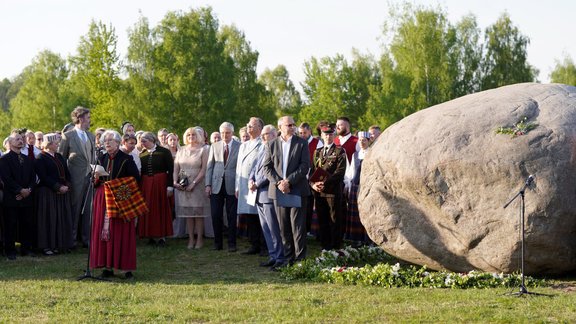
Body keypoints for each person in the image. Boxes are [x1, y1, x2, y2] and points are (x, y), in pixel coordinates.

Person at [90, 130, 141, 279]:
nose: (107, 143)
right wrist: (96, 177)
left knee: (120, 233)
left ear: (118, 143)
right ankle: (107, 266)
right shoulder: (101, 157)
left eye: (110, 140)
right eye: (105, 140)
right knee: (103, 232)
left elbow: (135, 180)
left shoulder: (127, 159)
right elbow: (94, 182)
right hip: (102, 199)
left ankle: (125, 268)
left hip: (120, 199)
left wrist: (116, 186)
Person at [263, 116, 311, 268]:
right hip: (279, 191)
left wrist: (288, 181)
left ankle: (300, 261)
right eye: (288, 125)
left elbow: (305, 166)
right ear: (280, 127)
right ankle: (287, 260)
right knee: (283, 228)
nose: (292, 127)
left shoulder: (301, 143)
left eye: (293, 125)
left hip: (296, 189)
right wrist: (279, 183)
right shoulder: (271, 144)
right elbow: (266, 167)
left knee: (298, 227)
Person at [58, 106, 96, 248]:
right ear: (80, 118)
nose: (89, 120)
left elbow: (92, 157)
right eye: (88, 118)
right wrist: (65, 180)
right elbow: (61, 159)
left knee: (88, 209)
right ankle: (71, 239)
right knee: (74, 209)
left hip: (90, 177)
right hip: (74, 179)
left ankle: (86, 239)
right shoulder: (68, 136)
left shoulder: (91, 136)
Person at [249, 124, 284, 268]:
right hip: (258, 194)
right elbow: (254, 167)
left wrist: (257, 183)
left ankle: (279, 256)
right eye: (262, 134)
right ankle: (272, 254)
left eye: (266, 134)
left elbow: (270, 172)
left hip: (267, 193)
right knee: (265, 228)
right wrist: (251, 179)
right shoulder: (263, 148)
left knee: (273, 227)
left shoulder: (277, 149)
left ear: (274, 134)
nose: (263, 136)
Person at [34, 133, 73, 255]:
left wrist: (67, 185)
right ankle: (47, 246)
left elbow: (66, 172)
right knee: (49, 219)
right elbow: (43, 177)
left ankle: (58, 244)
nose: (58, 145)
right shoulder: (40, 158)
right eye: (56, 143)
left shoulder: (59, 156)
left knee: (60, 218)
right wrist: (57, 187)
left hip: (61, 193)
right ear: (49, 144)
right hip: (47, 193)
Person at [0, 130, 36, 260]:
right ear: (9, 143)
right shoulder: (4, 159)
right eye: (17, 139)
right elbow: (6, 178)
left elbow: (33, 177)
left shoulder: (27, 159)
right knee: (10, 224)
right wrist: (19, 190)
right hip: (12, 197)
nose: (21, 141)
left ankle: (26, 249)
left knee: (26, 224)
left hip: (26, 197)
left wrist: (28, 190)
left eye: (21, 139)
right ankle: (10, 250)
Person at [310, 125, 347, 250]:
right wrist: (313, 185)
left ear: (334, 135)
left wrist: (324, 183)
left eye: (331, 134)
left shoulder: (340, 151)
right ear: (321, 135)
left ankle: (335, 246)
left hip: (332, 192)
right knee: (322, 219)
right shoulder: (317, 152)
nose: (328, 136)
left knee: (334, 220)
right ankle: (325, 246)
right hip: (319, 192)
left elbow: (340, 172)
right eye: (325, 134)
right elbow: (312, 171)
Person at [205, 122, 239, 252]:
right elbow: (210, 166)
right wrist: (208, 185)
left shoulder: (239, 146)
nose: (225, 135)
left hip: (232, 185)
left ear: (232, 133)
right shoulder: (214, 146)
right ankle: (217, 243)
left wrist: (238, 186)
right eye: (223, 133)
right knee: (215, 214)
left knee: (232, 216)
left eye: (228, 132)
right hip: (216, 185)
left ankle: (232, 243)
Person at [174, 127, 210, 249]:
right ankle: (190, 239)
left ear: (198, 136)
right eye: (188, 135)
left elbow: (204, 169)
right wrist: (175, 181)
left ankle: (199, 239)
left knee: (198, 213)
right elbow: (176, 168)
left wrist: (194, 183)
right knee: (188, 213)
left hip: (198, 184)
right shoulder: (181, 150)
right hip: (183, 184)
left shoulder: (203, 150)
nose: (191, 137)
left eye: (193, 135)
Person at [139, 131, 174, 245]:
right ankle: (150, 235)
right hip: (146, 184)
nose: (142, 143)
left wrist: (170, 186)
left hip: (160, 182)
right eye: (141, 141)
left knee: (160, 208)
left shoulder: (164, 152)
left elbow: (171, 170)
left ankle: (161, 236)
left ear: (152, 140)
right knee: (148, 209)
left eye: (145, 141)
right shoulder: (142, 154)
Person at [236, 117, 265, 255]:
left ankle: (263, 245)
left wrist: (256, 181)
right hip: (244, 185)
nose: (249, 128)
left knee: (259, 216)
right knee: (249, 216)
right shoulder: (243, 145)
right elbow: (239, 168)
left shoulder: (263, 144)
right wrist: (237, 186)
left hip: (257, 185)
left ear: (260, 128)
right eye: (248, 125)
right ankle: (254, 244)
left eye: (252, 125)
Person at [344, 131, 371, 244]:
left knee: (366, 212)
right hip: (355, 186)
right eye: (360, 140)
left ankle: (367, 239)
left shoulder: (372, 154)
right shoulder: (355, 154)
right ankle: (355, 238)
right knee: (356, 213)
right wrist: (348, 185)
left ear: (369, 141)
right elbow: (351, 171)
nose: (362, 142)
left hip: (367, 186)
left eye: (364, 140)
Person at [298, 122, 324, 235]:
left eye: (304, 132)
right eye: (300, 133)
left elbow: (319, 162)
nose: (302, 135)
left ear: (309, 131)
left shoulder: (317, 143)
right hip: (300, 177)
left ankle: (309, 229)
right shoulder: (298, 142)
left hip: (312, 177)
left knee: (310, 204)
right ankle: (302, 228)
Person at [166, 132, 186, 239]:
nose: (173, 142)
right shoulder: (165, 153)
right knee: (171, 207)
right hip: (168, 181)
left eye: (175, 139)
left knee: (180, 205)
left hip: (181, 180)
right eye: (171, 140)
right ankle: (171, 229)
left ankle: (182, 229)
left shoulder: (182, 151)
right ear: (167, 141)